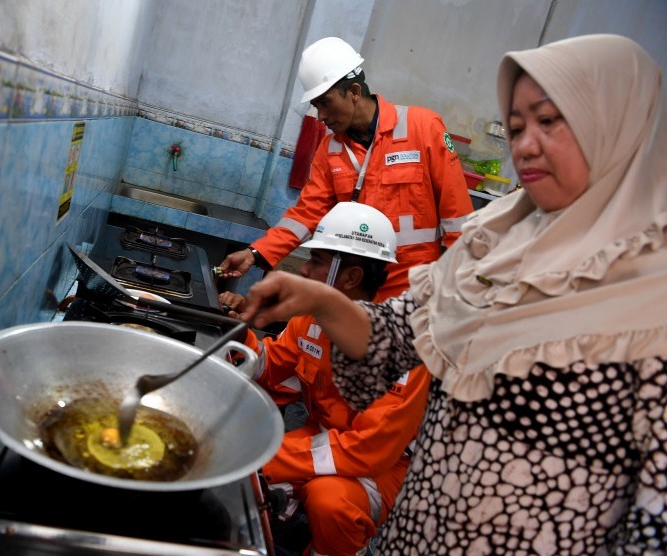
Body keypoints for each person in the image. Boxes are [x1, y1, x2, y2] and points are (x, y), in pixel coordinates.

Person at [240, 34, 667, 554]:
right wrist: (300, 284)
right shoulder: (505, 235)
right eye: (518, 126)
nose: (527, 145)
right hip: (427, 482)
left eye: (553, 124)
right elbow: (384, 320)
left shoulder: (636, 291)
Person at [227, 202, 431, 556]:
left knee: (329, 501)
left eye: (317, 261)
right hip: (326, 441)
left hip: (386, 467)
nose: (304, 269)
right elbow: (269, 371)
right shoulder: (311, 321)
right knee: (243, 467)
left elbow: (367, 449)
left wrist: (269, 463)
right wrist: (237, 333)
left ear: (350, 277)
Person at [218, 36, 474, 301]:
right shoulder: (330, 150)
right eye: (316, 106)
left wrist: (462, 286)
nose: (321, 117)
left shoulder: (422, 127)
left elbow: (458, 215)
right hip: (353, 287)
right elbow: (306, 214)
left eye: (325, 103)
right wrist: (256, 253)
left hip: (414, 288)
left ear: (353, 92)